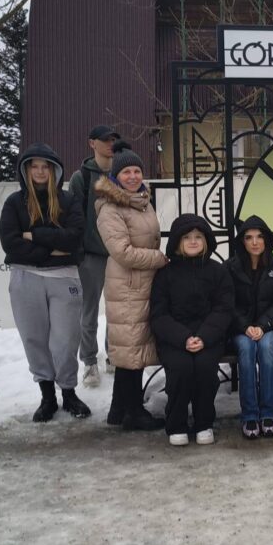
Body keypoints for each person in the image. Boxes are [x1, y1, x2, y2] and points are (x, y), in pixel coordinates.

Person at [0, 143, 90, 422]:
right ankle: (47, 396)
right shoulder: (14, 203)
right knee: (34, 339)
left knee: (65, 340)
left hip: (64, 278)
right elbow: (10, 244)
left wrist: (34, 236)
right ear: (26, 170)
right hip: (25, 278)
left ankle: (69, 393)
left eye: (45, 167)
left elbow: (74, 238)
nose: (40, 172)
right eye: (34, 166)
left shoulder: (68, 201)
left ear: (55, 170)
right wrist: (50, 250)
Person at [94, 141, 166, 431]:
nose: (133, 176)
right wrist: (159, 259)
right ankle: (134, 412)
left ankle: (118, 409)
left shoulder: (142, 201)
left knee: (131, 346)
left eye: (137, 171)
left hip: (141, 283)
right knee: (132, 348)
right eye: (127, 172)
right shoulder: (111, 208)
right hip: (127, 285)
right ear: (116, 177)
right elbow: (122, 252)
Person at [151, 214, 235, 446]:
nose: (193, 241)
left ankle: (203, 423)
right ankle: (176, 424)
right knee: (181, 368)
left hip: (209, 337)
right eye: (187, 237)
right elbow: (159, 314)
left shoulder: (218, 272)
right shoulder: (165, 274)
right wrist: (184, 338)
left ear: (206, 240)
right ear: (178, 242)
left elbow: (224, 309)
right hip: (175, 339)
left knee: (205, 368)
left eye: (198, 237)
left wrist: (204, 337)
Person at [227, 215, 273, 439]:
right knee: (246, 348)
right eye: (249, 237)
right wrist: (245, 327)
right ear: (242, 241)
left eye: (260, 237)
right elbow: (227, 303)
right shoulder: (231, 267)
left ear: (267, 240)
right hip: (240, 329)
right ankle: (250, 416)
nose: (255, 242)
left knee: (265, 348)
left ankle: (269, 414)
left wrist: (263, 325)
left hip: (270, 328)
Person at [69, 124, 119, 387]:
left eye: (113, 139)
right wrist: (78, 252)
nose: (110, 143)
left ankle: (113, 356)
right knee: (88, 313)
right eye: (105, 139)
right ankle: (89, 362)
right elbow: (74, 218)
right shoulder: (81, 178)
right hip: (90, 256)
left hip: (118, 255)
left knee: (117, 311)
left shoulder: (121, 173)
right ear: (92, 143)